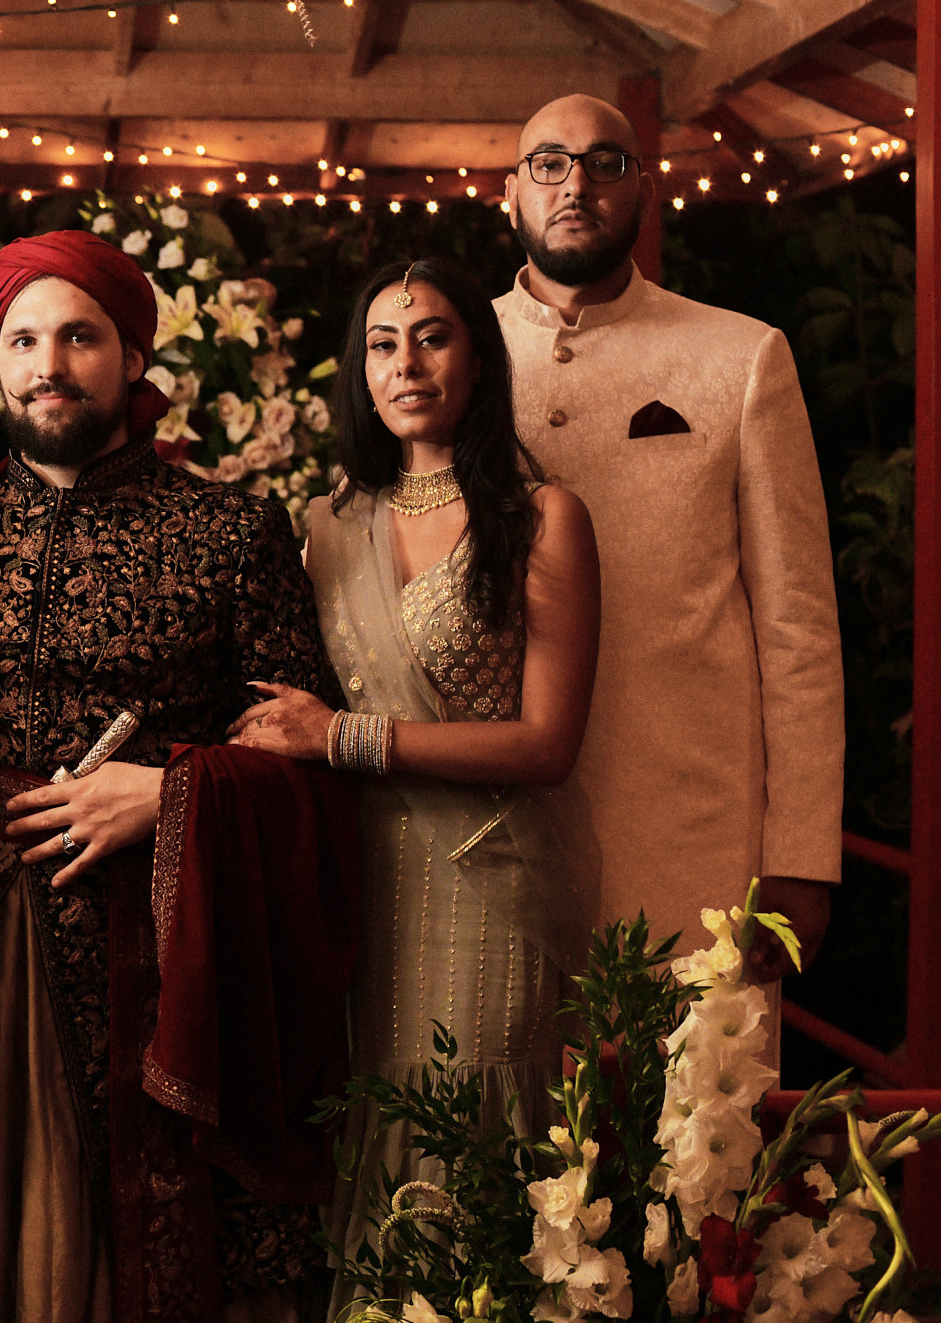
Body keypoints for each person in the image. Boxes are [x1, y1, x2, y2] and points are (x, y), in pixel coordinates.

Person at [0, 229, 355, 1323]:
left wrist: (169, 799)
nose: (48, 363)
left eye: (79, 336)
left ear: (131, 358)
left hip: (170, 955)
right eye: (22, 339)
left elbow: (304, 756)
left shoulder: (228, 530)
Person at [226, 257, 601, 1281]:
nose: (406, 362)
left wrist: (343, 737)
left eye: (432, 336)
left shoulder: (538, 518)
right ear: (358, 371)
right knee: (367, 1119)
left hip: (487, 879)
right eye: (381, 345)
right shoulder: (326, 527)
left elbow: (544, 744)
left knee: (466, 1125)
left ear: (477, 360)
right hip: (357, 881)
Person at [497, 94, 844, 979]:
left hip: (695, 843)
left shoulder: (740, 357)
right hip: (491, 842)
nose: (575, 184)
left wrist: (801, 853)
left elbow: (798, 624)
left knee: (697, 1115)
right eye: (549, 163)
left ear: (643, 190)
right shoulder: (450, 356)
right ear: (511, 194)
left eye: (604, 162)